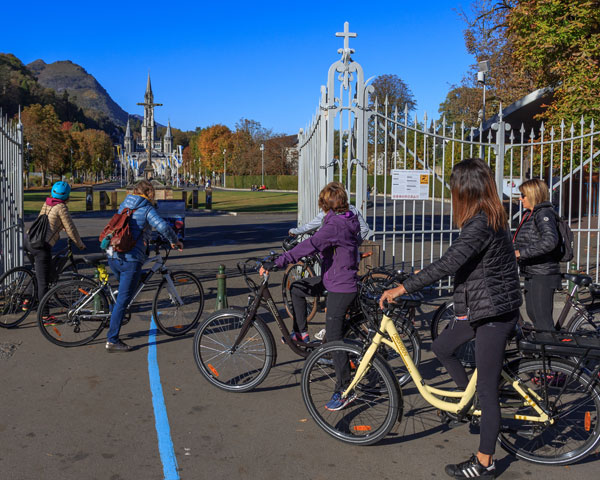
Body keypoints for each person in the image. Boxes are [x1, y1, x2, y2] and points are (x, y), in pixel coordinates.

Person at [380, 158, 521, 479]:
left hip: (493, 314)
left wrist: (402, 288)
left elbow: (449, 262)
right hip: (485, 306)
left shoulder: (481, 223)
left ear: (466, 191)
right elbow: (461, 262)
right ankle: (470, 408)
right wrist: (421, 273)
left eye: (455, 188)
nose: (453, 193)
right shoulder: (489, 217)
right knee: (443, 347)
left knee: (487, 389)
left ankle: (484, 463)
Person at [261, 181, 360, 411]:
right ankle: (301, 335)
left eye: (323, 203)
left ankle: (345, 389)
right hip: (331, 278)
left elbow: (313, 244)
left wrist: (278, 261)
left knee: (334, 339)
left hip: (341, 286)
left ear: (326, 204)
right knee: (297, 288)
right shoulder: (343, 218)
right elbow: (323, 243)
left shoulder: (335, 224)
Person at [105, 180, 183, 352]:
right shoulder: (147, 208)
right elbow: (162, 226)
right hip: (130, 258)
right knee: (123, 300)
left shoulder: (125, 204)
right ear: (150, 193)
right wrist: (174, 241)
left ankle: (111, 317)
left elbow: (130, 227)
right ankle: (112, 339)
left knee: (128, 289)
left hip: (114, 253)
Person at [29, 181, 86, 316]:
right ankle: (45, 315)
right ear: (67, 196)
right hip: (41, 246)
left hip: (30, 240)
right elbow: (71, 229)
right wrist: (80, 244)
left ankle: (27, 301)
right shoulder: (61, 207)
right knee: (44, 281)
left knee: (38, 273)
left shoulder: (47, 202)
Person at [513, 178, 561, 331]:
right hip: (532, 271)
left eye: (523, 195)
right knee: (533, 314)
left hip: (543, 273)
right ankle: (540, 350)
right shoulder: (530, 214)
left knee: (542, 320)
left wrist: (522, 253)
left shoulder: (543, 214)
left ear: (533, 195)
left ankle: (551, 351)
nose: (520, 198)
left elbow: (550, 241)